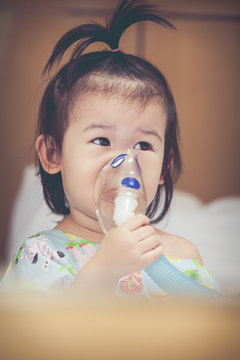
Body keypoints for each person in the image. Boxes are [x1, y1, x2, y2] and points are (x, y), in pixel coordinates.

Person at [1, 0, 220, 297]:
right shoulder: (40, 255)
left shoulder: (181, 256)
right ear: (53, 154)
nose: (125, 162)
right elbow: (39, 340)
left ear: (164, 168)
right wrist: (104, 270)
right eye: (102, 140)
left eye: (143, 144)